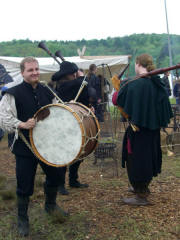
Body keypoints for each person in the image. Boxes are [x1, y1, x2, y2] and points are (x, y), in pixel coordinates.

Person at [0, 57, 69, 237]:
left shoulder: (47, 89)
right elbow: (3, 118)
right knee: (24, 184)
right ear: (22, 72)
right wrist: (21, 124)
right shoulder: (12, 93)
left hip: (48, 144)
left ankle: (50, 205)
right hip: (25, 147)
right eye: (30, 70)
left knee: (56, 175)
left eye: (36, 69)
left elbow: (58, 110)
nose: (35, 73)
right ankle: (23, 218)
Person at [112, 54, 173, 206]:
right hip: (152, 132)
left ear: (138, 63)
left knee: (137, 160)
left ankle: (141, 195)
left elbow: (116, 100)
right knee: (147, 159)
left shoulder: (134, 84)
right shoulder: (158, 84)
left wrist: (118, 89)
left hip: (138, 132)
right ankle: (141, 188)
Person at [51, 61, 96, 195]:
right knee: (65, 154)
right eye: (74, 73)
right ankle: (60, 184)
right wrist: (81, 75)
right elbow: (84, 82)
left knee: (78, 151)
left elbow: (84, 94)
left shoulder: (74, 83)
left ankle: (73, 180)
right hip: (64, 122)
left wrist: (87, 108)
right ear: (71, 74)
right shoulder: (64, 85)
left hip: (77, 120)